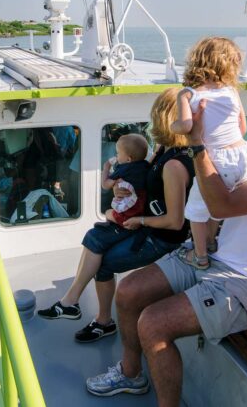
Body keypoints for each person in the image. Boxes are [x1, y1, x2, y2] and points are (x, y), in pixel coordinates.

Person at [85, 71, 247, 404]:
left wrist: (197, 143)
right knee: (129, 291)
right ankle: (131, 375)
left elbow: (222, 203)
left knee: (153, 324)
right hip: (213, 254)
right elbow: (211, 205)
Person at [37, 88, 195, 344]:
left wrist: (139, 220)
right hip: (147, 227)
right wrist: (126, 186)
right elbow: (146, 176)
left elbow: (175, 222)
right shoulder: (166, 149)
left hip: (161, 236)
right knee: (94, 237)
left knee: (104, 260)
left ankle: (97, 318)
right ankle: (75, 303)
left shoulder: (175, 165)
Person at [170, 37, 247, 268]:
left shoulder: (188, 94)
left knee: (196, 209)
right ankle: (211, 241)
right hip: (243, 156)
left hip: (217, 160)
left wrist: (174, 126)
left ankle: (200, 256)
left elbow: (186, 126)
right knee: (219, 203)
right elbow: (243, 128)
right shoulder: (232, 92)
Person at [101, 133, 150, 225]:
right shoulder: (145, 165)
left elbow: (105, 184)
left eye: (118, 153)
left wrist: (106, 168)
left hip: (128, 214)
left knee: (107, 213)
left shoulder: (123, 169)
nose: (116, 155)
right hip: (141, 209)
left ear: (128, 159)